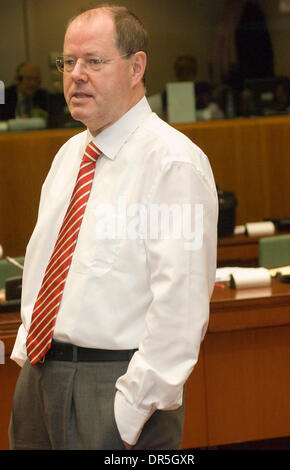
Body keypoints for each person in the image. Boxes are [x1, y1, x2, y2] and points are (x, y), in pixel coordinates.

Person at [9, 4, 218, 450]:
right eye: (68, 62)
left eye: (94, 61)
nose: (76, 74)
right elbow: (44, 263)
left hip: (115, 389)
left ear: (136, 67)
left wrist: (130, 408)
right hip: (40, 379)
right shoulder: (69, 156)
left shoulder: (172, 163)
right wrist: (29, 355)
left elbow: (180, 307)